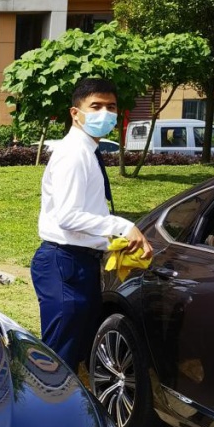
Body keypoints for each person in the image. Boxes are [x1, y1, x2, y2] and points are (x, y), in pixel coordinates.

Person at [30, 78, 152, 372]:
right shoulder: (73, 154)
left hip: (79, 263)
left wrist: (110, 243)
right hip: (64, 263)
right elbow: (68, 216)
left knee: (74, 354)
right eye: (95, 106)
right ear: (76, 113)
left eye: (111, 107)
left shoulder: (87, 151)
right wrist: (122, 227)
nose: (105, 114)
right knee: (58, 361)